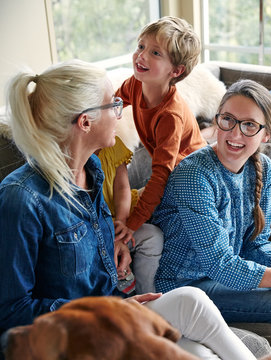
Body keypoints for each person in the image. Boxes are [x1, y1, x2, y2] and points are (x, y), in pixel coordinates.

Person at [0, 59, 256, 360]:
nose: (121, 111)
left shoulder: (92, 171)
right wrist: (105, 313)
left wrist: (117, 278)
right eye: (113, 104)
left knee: (193, 312)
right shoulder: (21, 199)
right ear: (85, 122)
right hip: (70, 340)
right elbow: (11, 313)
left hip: (110, 319)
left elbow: (93, 272)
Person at [152, 79, 271, 341]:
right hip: (187, 285)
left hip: (225, 274)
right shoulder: (193, 175)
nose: (235, 134)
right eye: (228, 120)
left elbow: (255, 244)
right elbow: (219, 264)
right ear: (216, 120)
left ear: (266, 134)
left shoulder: (264, 169)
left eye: (249, 125)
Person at [115, 16, 207, 240]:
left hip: (195, 178)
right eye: (141, 46)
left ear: (176, 71)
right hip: (174, 173)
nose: (141, 55)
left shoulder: (170, 115)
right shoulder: (134, 84)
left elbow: (160, 175)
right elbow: (112, 105)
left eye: (155, 53)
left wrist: (133, 223)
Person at [96, 136, 163, 295]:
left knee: (152, 236)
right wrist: (113, 236)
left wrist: (122, 223)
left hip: (120, 215)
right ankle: (120, 279)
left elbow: (122, 188)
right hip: (96, 227)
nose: (117, 115)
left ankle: (147, 295)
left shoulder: (112, 143)